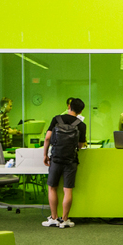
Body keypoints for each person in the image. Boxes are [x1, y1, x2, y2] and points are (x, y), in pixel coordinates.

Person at [42, 98, 87, 229]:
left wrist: (45, 154)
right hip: (71, 160)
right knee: (67, 190)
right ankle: (65, 220)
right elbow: (80, 145)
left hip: (56, 158)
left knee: (52, 187)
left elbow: (47, 138)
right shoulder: (81, 124)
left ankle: (54, 218)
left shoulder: (56, 119)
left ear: (69, 106)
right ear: (80, 111)